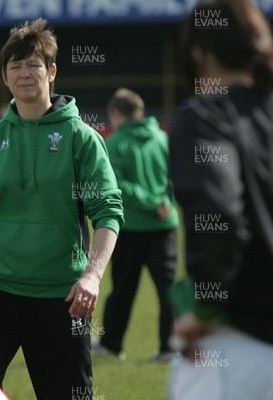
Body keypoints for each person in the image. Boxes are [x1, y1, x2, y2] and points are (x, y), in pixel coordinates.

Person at [0, 18, 124, 399]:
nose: (24, 74)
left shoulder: (81, 138)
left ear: (51, 72)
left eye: (33, 65)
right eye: (15, 66)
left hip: (61, 297)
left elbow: (108, 211)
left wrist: (92, 276)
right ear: (5, 77)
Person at [168, 0, 273, 398]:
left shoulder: (205, 115)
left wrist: (206, 306)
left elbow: (221, 215)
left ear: (198, 56)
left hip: (237, 345)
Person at [93, 88, 179, 362]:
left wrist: (150, 202)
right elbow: (179, 174)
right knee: (169, 290)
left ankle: (112, 345)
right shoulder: (164, 138)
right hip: (166, 226)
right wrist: (164, 200)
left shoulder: (115, 142)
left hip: (130, 228)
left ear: (117, 114)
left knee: (122, 290)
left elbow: (118, 186)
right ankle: (170, 347)